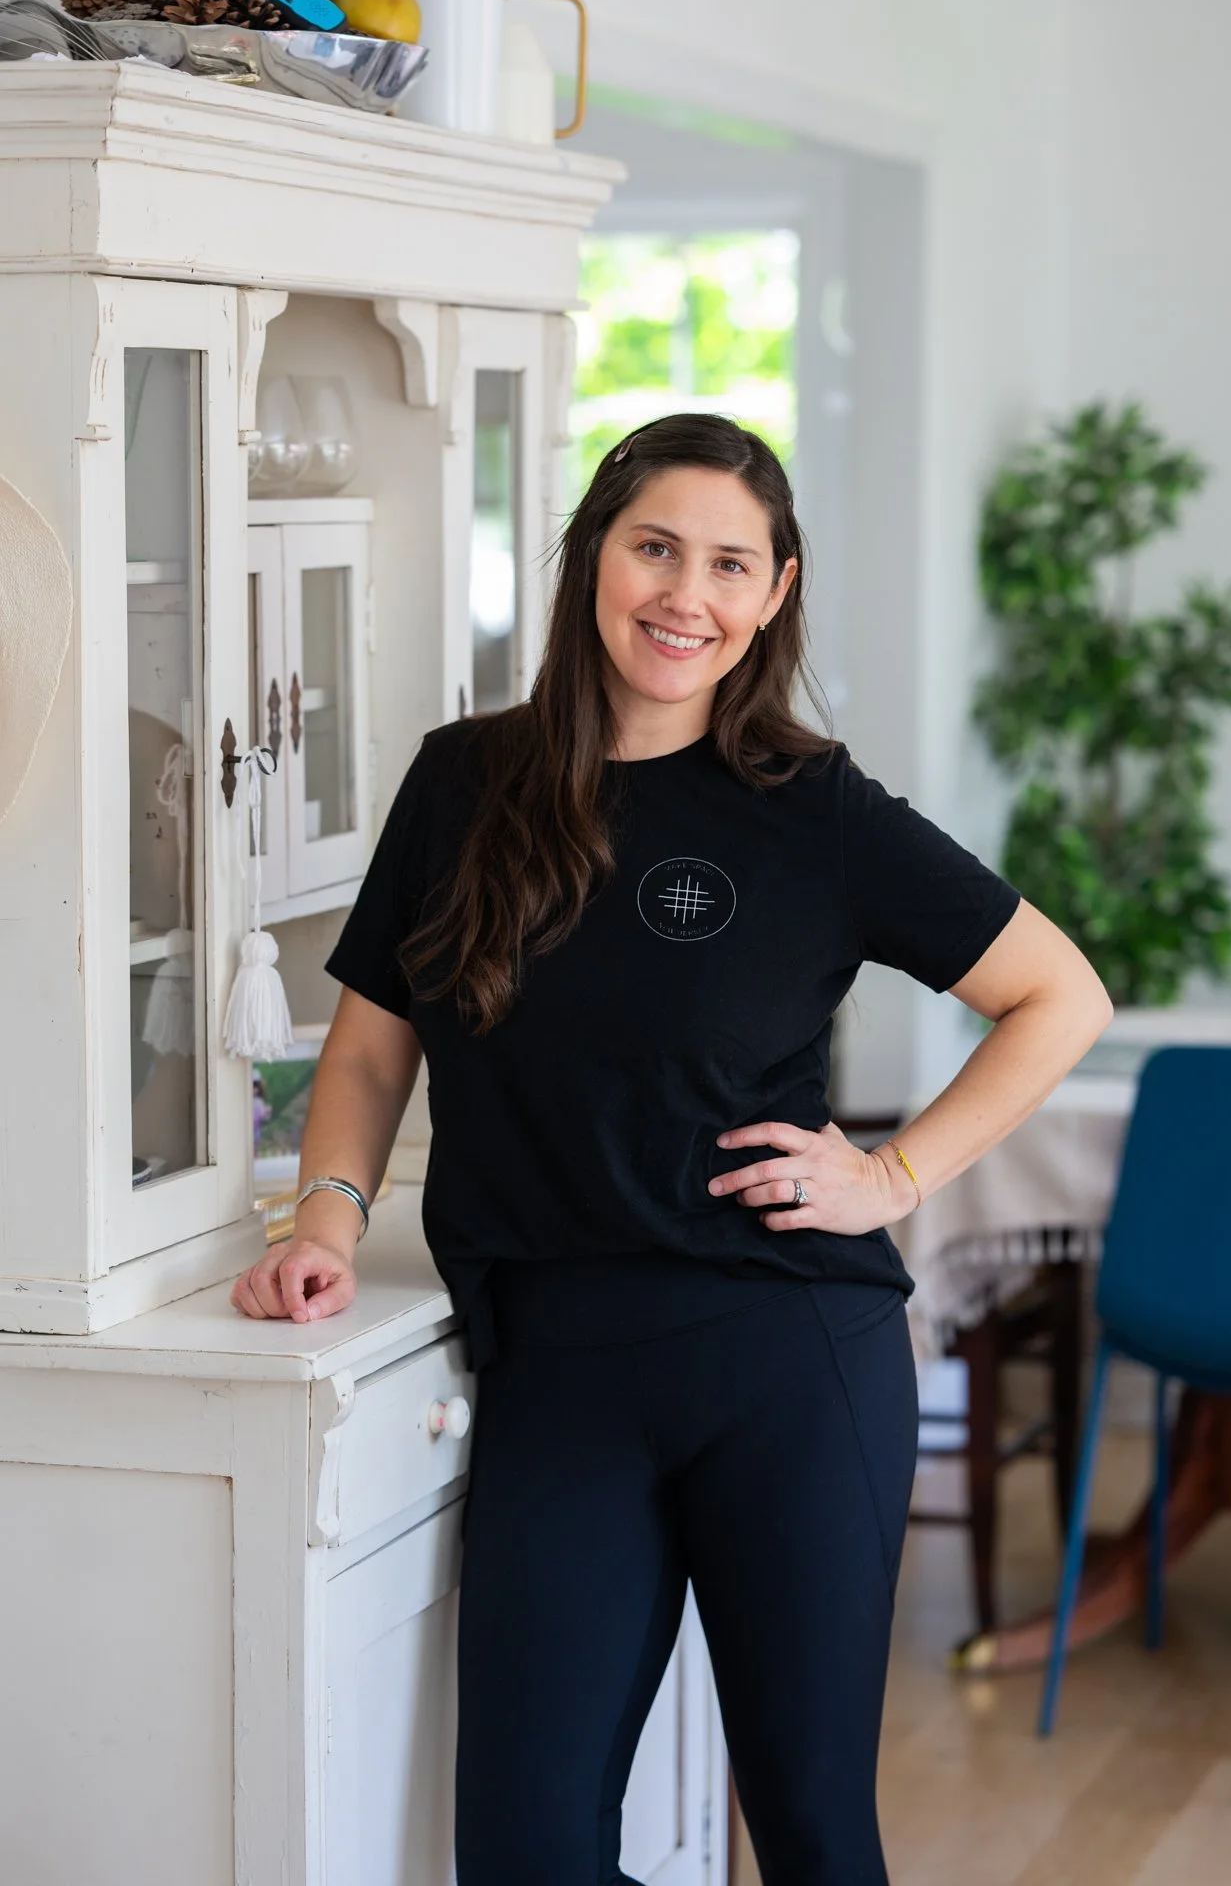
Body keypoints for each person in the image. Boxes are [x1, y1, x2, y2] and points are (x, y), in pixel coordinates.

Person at [231, 413, 1113, 1885]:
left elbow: (1055, 994)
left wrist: (891, 1179)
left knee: (815, 1831)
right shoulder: (464, 783)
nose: (682, 594)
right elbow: (375, 1043)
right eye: (653, 548)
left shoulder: (813, 810)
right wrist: (322, 1223)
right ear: (592, 560)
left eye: (726, 564)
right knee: (525, 1845)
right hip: (556, 1370)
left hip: (787, 1357)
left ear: (773, 594)